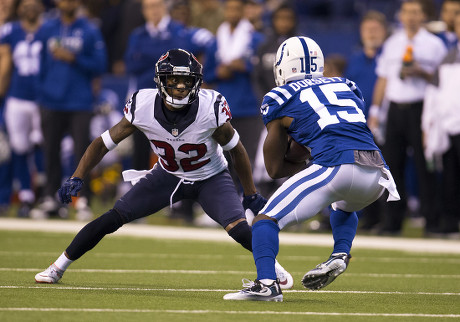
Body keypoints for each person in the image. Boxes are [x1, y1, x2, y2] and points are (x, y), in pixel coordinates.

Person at [34, 48, 293, 289]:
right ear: (160, 80)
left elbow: (236, 150)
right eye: (173, 80)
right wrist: (78, 176)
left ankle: (275, 268)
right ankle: (57, 267)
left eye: (186, 81)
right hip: (167, 175)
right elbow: (103, 144)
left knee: (238, 228)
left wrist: (249, 193)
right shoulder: (142, 105)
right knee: (112, 218)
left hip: (210, 177)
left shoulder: (210, 107)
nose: (180, 87)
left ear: (197, 83)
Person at [223, 36, 400, 302]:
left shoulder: (279, 96)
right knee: (344, 204)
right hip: (378, 171)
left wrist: (300, 155)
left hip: (335, 165)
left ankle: (267, 284)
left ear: (282, 66)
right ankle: (340, 252)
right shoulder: (346, 85)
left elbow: (273, 168)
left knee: (265, 220)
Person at [368, 0, 447, 235]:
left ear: (423, 16)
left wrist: (421, 71)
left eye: (415, 12)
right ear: (400, 15)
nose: (410, 17)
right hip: (395, 108)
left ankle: (431, 221)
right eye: (406, 12)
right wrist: (375, 109)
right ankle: (392, 221)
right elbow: (383, 78)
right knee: (391, 167)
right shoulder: (393, 43)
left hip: (420, 107)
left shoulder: (434, 45)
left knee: (425, 166)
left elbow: (443, 80)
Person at [29, 0, 107, 220]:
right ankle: (51, 200)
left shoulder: (89, 29)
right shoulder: (48, 28)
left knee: (83, 152)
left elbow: (100, 65)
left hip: (79, 102)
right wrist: (42, 92)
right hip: (51, 100)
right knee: (50, 151)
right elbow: (40, 64)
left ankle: (81, 200)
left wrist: (74, 58)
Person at [0, 0, 45, 217]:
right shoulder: (10, 31)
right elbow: (5, 62)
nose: (30, 9)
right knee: (18, 148)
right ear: (20, 10)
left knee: (43, 146)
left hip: (41, 99)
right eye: (25, 5)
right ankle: (26, 196)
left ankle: (48, 196)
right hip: (17, 97)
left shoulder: (49, 30)